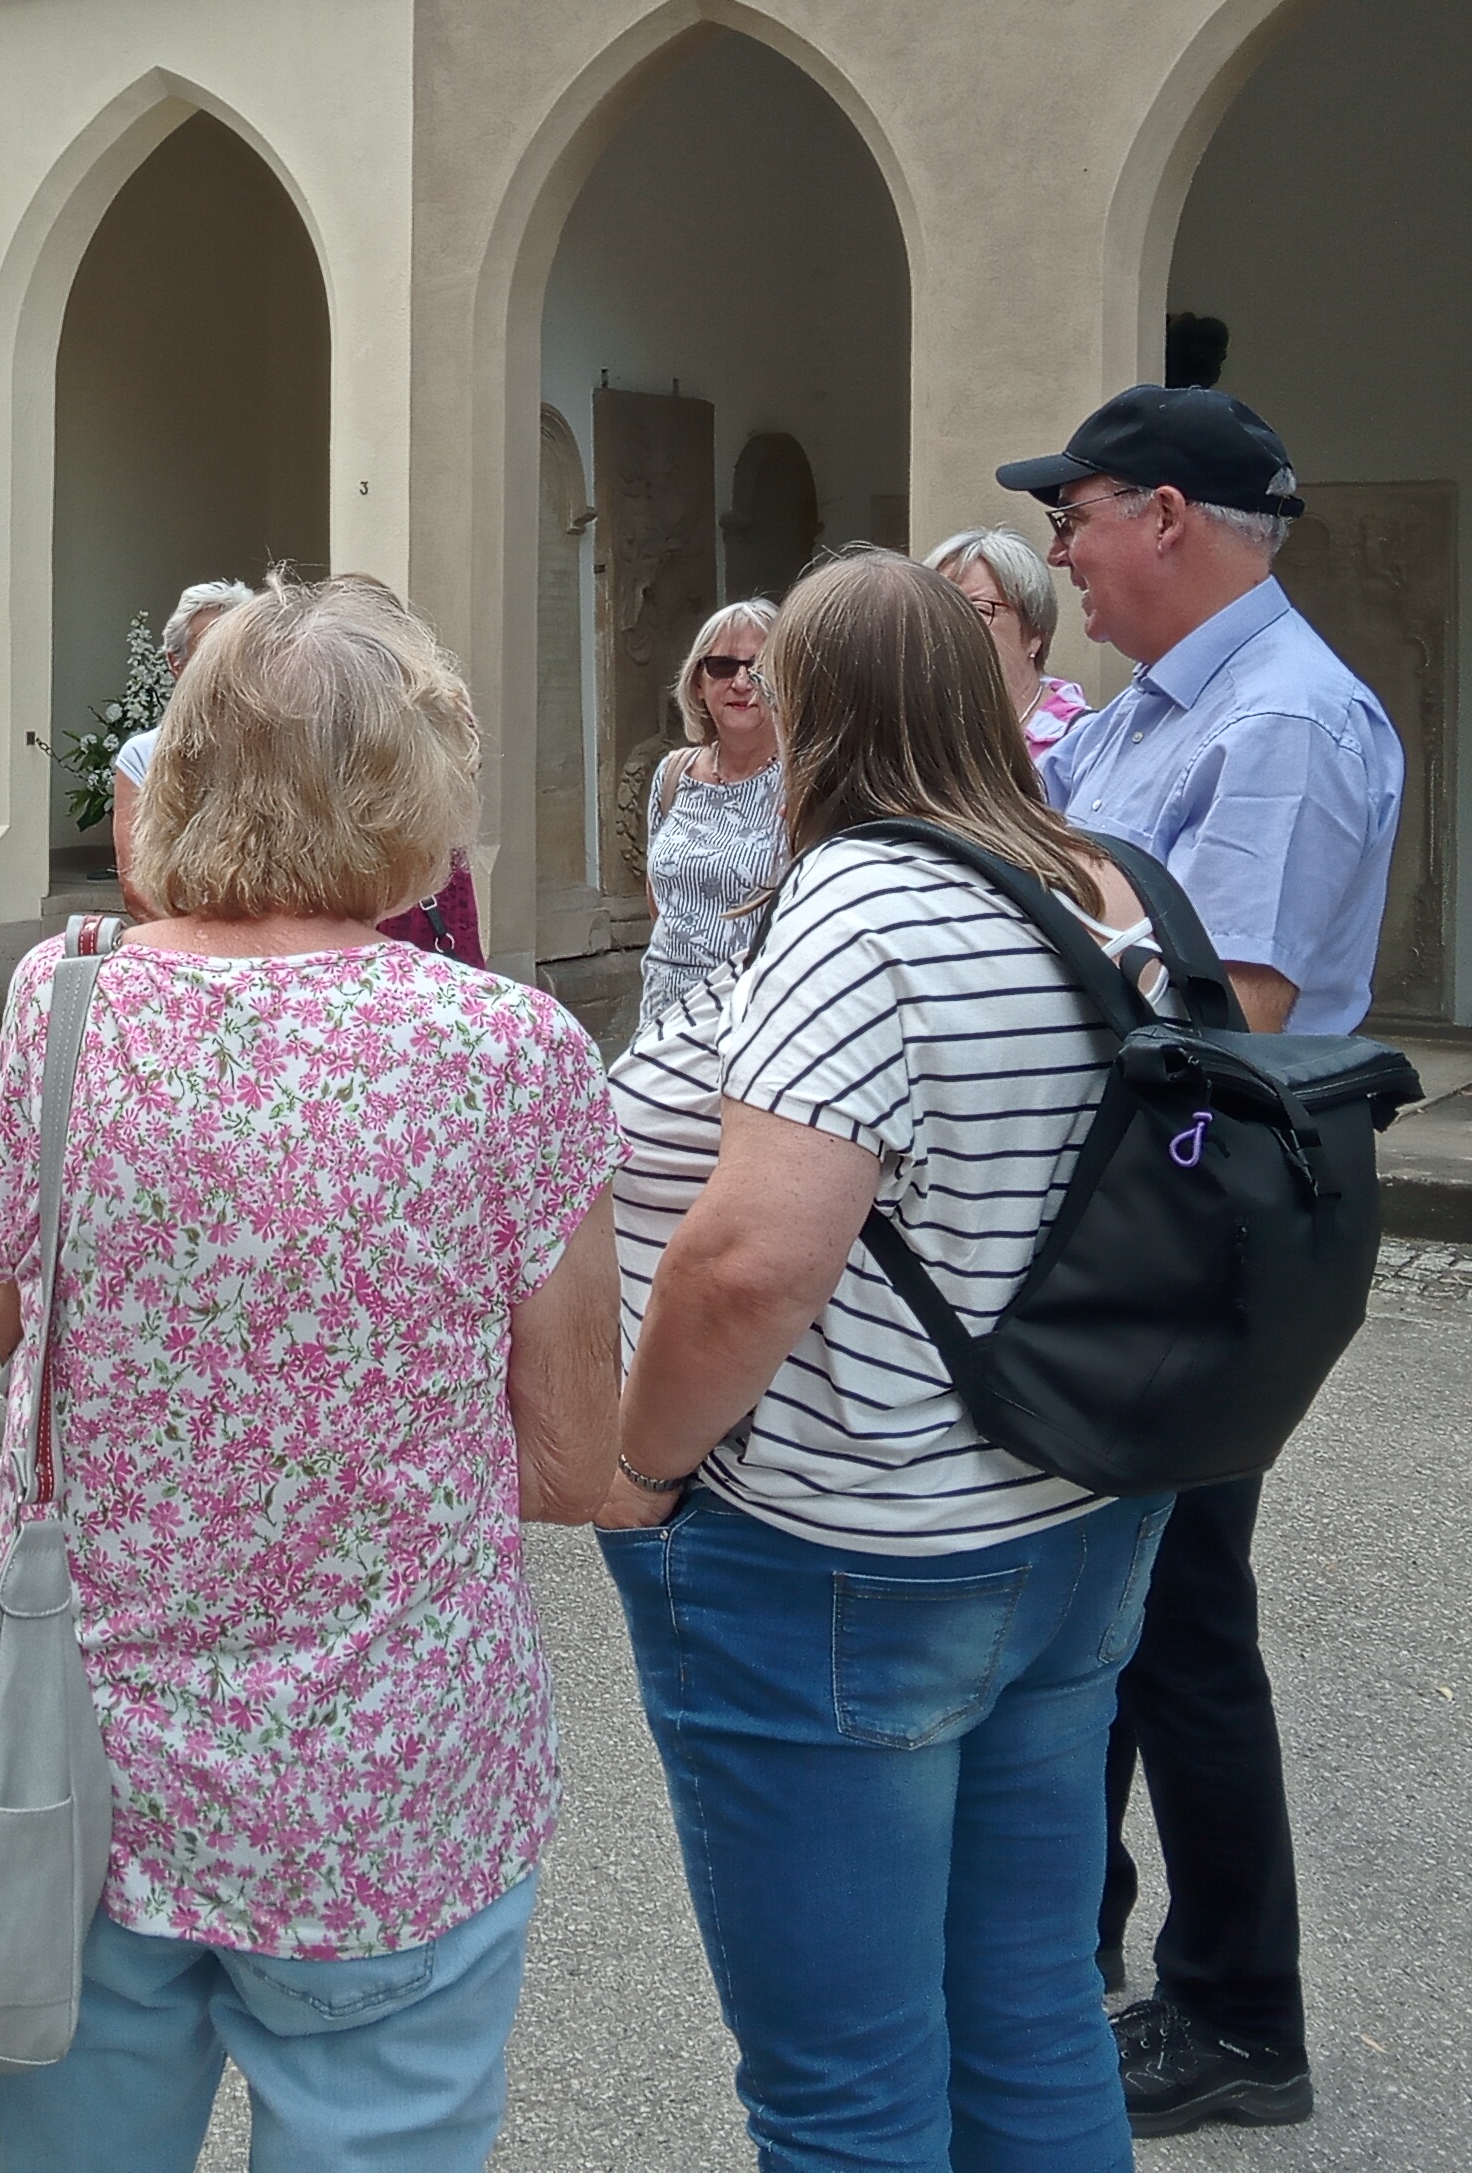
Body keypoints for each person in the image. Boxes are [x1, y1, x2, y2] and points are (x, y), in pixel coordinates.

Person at [0, 575, 620, 2173]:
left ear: (182, 768)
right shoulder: (507, 1048)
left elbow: (14, 1333)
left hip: (81, 1760)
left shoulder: (65, 1001)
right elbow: (569, 1454)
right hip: (385, 1775)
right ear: (420, 788)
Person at [596, 549, 1182, 2170]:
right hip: (1066, 1513)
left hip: (848, 1551)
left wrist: (639, 1467)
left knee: (845, 2082)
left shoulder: (864, 900)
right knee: (1033, 2009)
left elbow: (755, 1257)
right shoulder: (1084, 881)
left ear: (818, 706)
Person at [1003, 386, 1402, 2137]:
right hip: (1136, 1198)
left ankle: (1240, 2012)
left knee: (1178, 1625)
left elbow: (1226, 1008)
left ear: (1164, 514)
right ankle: (1064, 1944)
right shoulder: (1163, 709)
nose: (1061, 552)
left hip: (1199, 1207)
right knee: (1110, 1602)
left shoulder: (1289, 721)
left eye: (1075, 514)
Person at [634, 596, 784, 1030]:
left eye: (760, 667)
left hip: (752, 1019)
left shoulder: (804, 785)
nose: (741, 682)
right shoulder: (673, 773)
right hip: (662, 1016)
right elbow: (658, 900)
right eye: (722, 666)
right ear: (698, 682)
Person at [105, 578, 252, 917]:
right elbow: (137, 888)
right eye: (212, 647)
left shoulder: (283, 744)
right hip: (179, 944)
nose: (226, 661)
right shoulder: (143, 755)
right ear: (176, 663)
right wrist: (200, 953)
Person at [927, 525, 1090, 767]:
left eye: (979, 610)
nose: (951, 625)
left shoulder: (1081, 742)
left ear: (1035, 631)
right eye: (937, 609)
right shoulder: (922, 728)